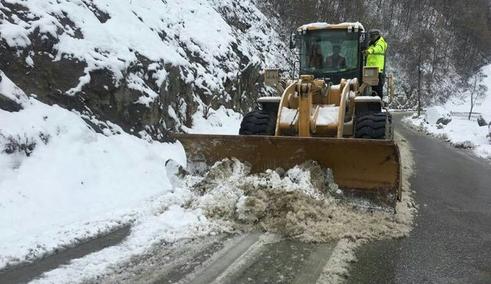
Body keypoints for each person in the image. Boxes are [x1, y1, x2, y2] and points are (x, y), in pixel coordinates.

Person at [365, 29, 388, 99]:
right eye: (371, 36)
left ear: (377, 36)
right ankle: (373, 100)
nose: (371, 38)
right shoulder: (371, 44)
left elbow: (378, 49)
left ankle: (378, 101)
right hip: (370, 69)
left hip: (377, 69)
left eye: (372, 36)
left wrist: (369, 51)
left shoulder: (381, 42)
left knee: (377, 87)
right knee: (372, 87)